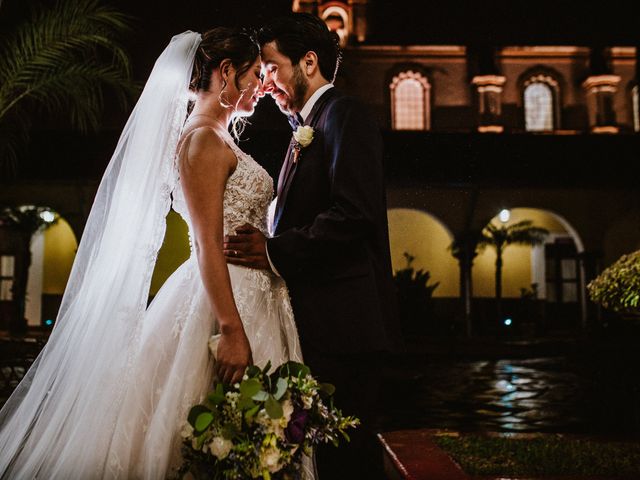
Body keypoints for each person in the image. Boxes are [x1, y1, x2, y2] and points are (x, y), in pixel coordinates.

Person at [0, 28, 307, 479]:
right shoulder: (202, 140)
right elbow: (204, 242)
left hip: (257, 295)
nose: (262, 86)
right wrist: (230, 331)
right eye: (254, 75)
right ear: (226, 73)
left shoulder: (218, 138)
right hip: (225, 303)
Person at [224, 13, 399, 480]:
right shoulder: (305, 126)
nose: (266, 83)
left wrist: (273, 252)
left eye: (272, 68)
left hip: (347, 326)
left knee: (346, 457)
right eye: (260, 73)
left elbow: (354, 214)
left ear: (308, 61)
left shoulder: (345, 114)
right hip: (317, 324)